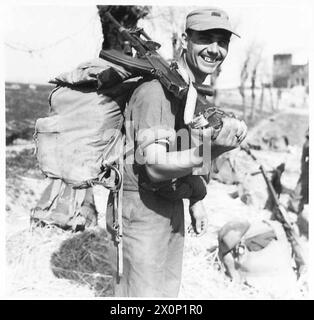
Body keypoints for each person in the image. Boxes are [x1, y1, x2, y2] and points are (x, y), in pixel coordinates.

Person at [108, 7, 247, 297]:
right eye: (205, 39)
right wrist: (214, 147)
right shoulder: (157, 92)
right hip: (141, 213)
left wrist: (196, 197)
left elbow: (182, 146)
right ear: (185, 40)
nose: (215, 49)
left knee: (167, 297)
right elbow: (155, 167)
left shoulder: (188, 93)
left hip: (170, 204)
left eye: (222, 42)